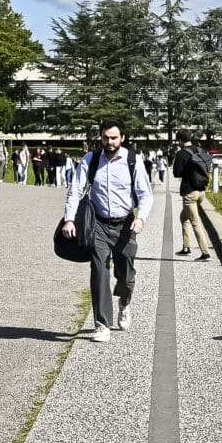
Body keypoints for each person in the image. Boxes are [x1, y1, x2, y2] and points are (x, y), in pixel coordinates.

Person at [60, 119, 153, 342]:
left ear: (122, 138)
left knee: (126, 275)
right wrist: (69, 220)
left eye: (114, 138)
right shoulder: (91, 160)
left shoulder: (133, 160)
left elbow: (145, 194)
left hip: (125, 226)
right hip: (98, 225)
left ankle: (124, 302)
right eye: (105, 138)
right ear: (100, 138)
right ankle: (102, 324)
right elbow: (75, 190)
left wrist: (140, 218)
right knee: (99, 271)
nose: (109, 142)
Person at [170, 132, 214, 262]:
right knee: (184, 217)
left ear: (180, 140)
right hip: (201, 191)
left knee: (195, 222)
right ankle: (186, 247)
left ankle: (205, 253)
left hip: (189, 193)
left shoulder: (181, 154)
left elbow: (177, 173)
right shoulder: (200, 150)